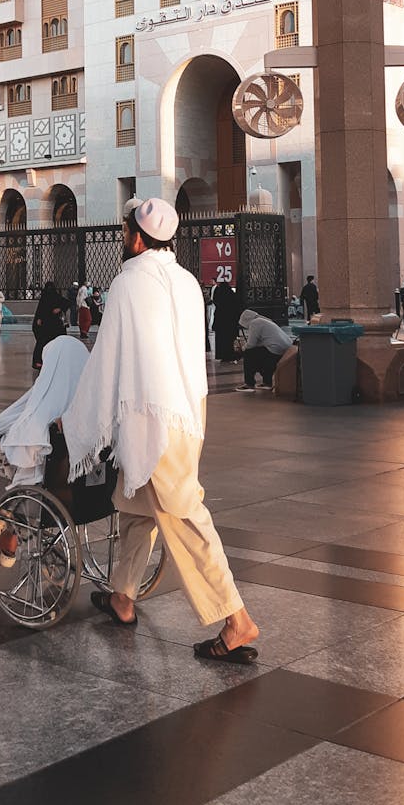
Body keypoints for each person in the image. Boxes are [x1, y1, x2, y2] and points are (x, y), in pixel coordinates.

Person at [63, 197, 259, 664]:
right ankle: (122, 597)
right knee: (136, 506)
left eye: (123, 232)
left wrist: (77, 412)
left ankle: (235, 619)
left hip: (152, 416)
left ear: (135, 236)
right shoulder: (188, 281)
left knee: (184, 513)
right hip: (187, 413)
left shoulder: (129, 283)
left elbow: (109, 360)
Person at [0, 333, 88, 487]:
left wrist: (19, 420)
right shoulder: (87, 407)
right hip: (73, 482)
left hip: (36, 476)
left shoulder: (41, 403)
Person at [236, 308, 292, 391]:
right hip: (285, 349)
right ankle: (267, 382)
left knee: (248, 354)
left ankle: (249, 384)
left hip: (275, 350)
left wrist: (242, 349)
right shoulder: (263, 320)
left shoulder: (255, 323)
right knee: (261, 355)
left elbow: (251, 344)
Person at [31, 281, 68, 370]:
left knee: (54, 343)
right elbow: (41, 310)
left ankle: (53, 360)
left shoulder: (55, 297)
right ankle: (39, 361)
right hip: (46, 324)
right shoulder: (45, 297)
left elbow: (67, 303)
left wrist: (59, 309)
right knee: (42, 342)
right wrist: (39, 318)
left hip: (54, 324)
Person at [211, 280, 240, 362]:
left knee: (221, 340)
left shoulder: (220, 295)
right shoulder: (231, 295)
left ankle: (222, 355)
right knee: (229, 340)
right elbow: (236, 308)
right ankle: (229, 354)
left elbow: (217, 307)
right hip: (230, 323)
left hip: (221, 323)